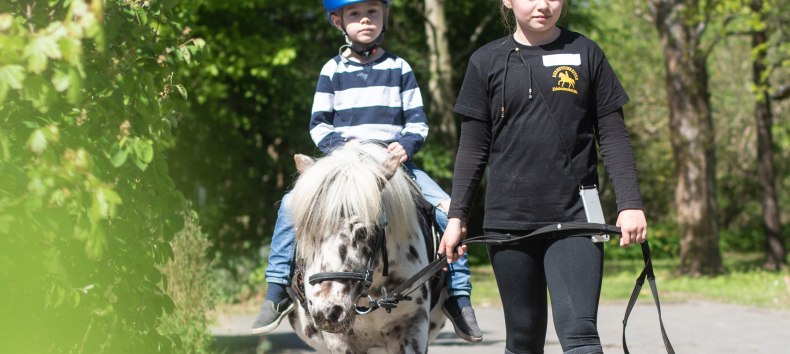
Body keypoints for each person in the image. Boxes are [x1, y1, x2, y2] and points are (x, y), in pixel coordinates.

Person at [251, 0, 483, 342]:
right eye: (355, 14)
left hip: (394, 166)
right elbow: (319, 125)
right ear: (337, 21)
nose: (365, 20)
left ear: (384, 16)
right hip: (346, 165)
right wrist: (343, 152)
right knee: (289, 206)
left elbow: (417, 122)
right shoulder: (332, 70)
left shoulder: (400, 67)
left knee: (448, 209)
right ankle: (277, 291)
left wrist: (406, 144)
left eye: (372, 12)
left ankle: (459, 297)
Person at [437, 0, 648, 353]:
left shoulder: (586, 53)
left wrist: (630, 204)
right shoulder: (485, 61)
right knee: (523, 340)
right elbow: (473, 149)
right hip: (508, 225)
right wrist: (458, 216)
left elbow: (613, 136)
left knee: (581, 335)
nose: (543, 5)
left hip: (577, 219)